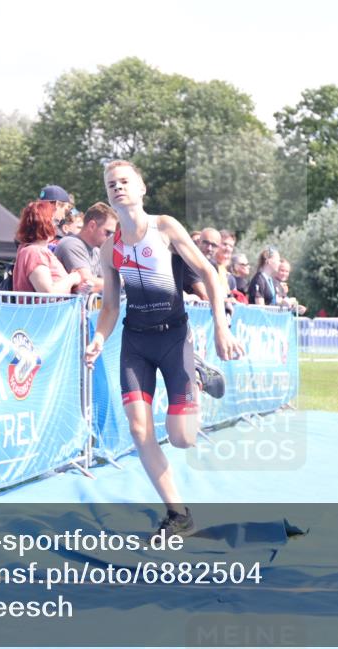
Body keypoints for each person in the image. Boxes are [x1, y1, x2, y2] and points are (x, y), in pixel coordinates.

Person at [84, 160, 243, 537]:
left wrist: (221, 326)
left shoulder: (165, 227)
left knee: (182, 438)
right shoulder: (109, 250)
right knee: (139, 429)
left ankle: (197, 372)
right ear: (107, 194)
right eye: (111, 184)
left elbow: (206, 272)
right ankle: (178, 513)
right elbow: (109, 307)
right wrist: (99, 338)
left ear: (141, 188)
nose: (118, 187)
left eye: (125, 181)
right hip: (136, 342)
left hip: (174, 337)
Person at [12, 201, 84, 294]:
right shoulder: (34, 252)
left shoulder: (37, 250)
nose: (55, 226)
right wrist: (72, 278)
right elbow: (48, 292)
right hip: (45, 308)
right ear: (44, 224)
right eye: (54, 221)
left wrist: (76, 288)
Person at [55, 202, 117, 294]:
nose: (111, 238)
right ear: (92, 226)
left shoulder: (96, 251)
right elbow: (87, 281)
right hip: (62, 307)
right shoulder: (71, 244)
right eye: (108, 232)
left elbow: (106, 281)